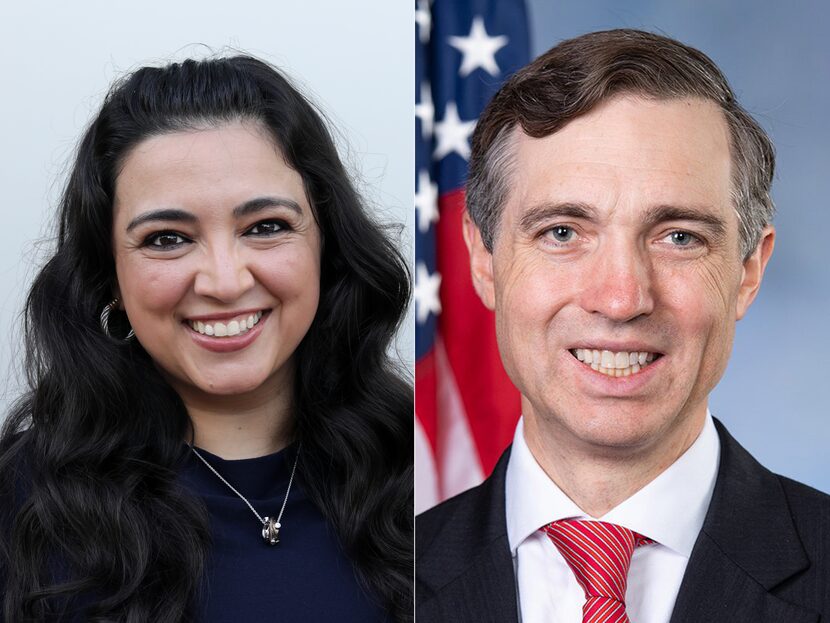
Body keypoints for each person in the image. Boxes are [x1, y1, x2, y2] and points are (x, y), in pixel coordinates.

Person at [416, 29, 830, 622]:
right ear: (483, 261)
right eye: (562, 232)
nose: (621, 298)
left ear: (747, 271)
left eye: (679, 237)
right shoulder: (384, 577)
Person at [0, 56, 412, 622]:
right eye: (167, 239)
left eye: (266, 227)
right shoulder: (16, 509)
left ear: (328, 247)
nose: (224, 281)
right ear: (109, 277)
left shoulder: (431, 475)